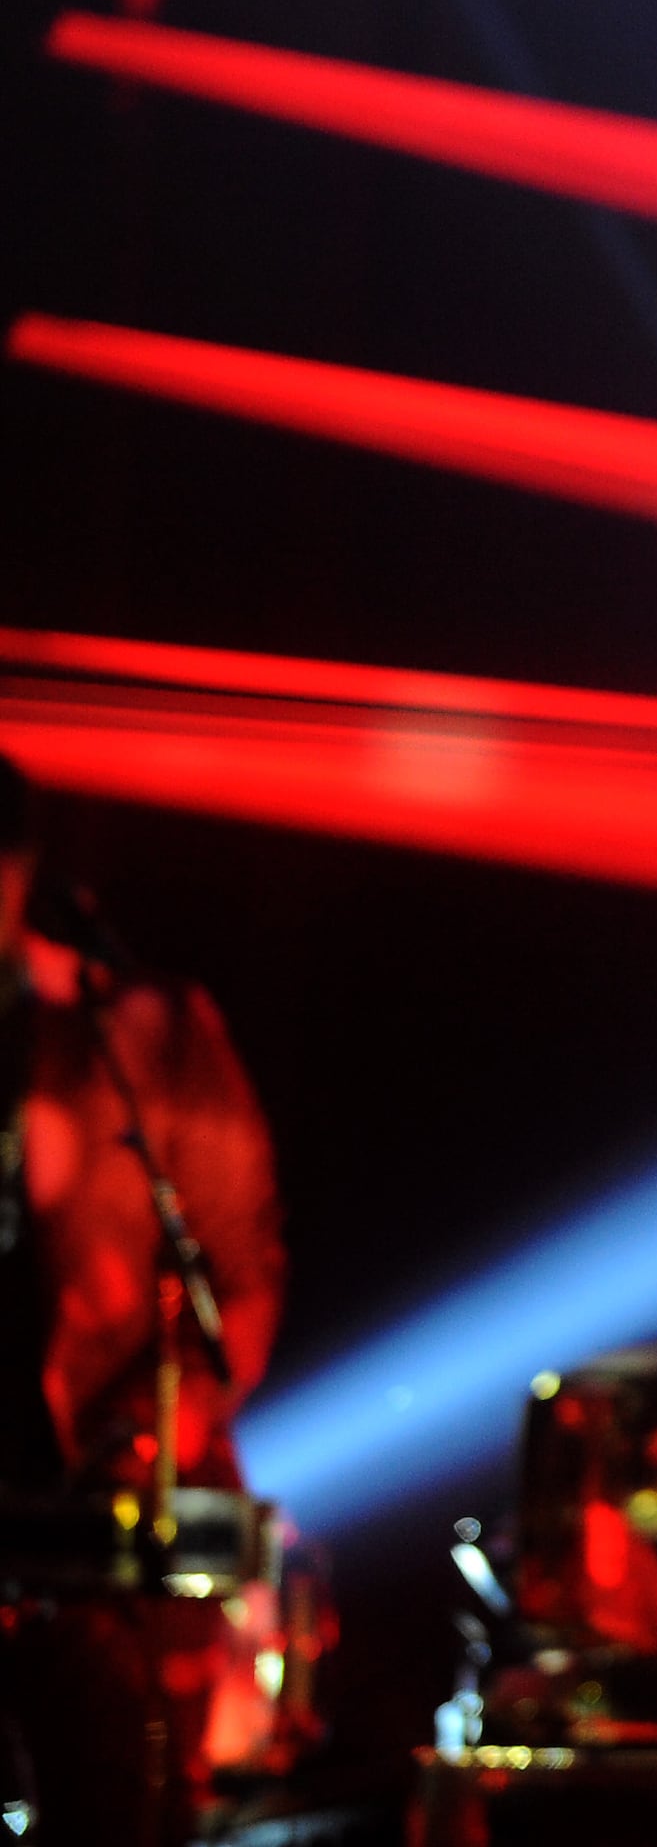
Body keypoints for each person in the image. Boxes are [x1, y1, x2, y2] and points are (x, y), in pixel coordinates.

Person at [0, 754, 288, 1840]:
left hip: (91, 1516)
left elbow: (241, 1274)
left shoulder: (134, 1036)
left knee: (113, 1786)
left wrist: (160, 1428)